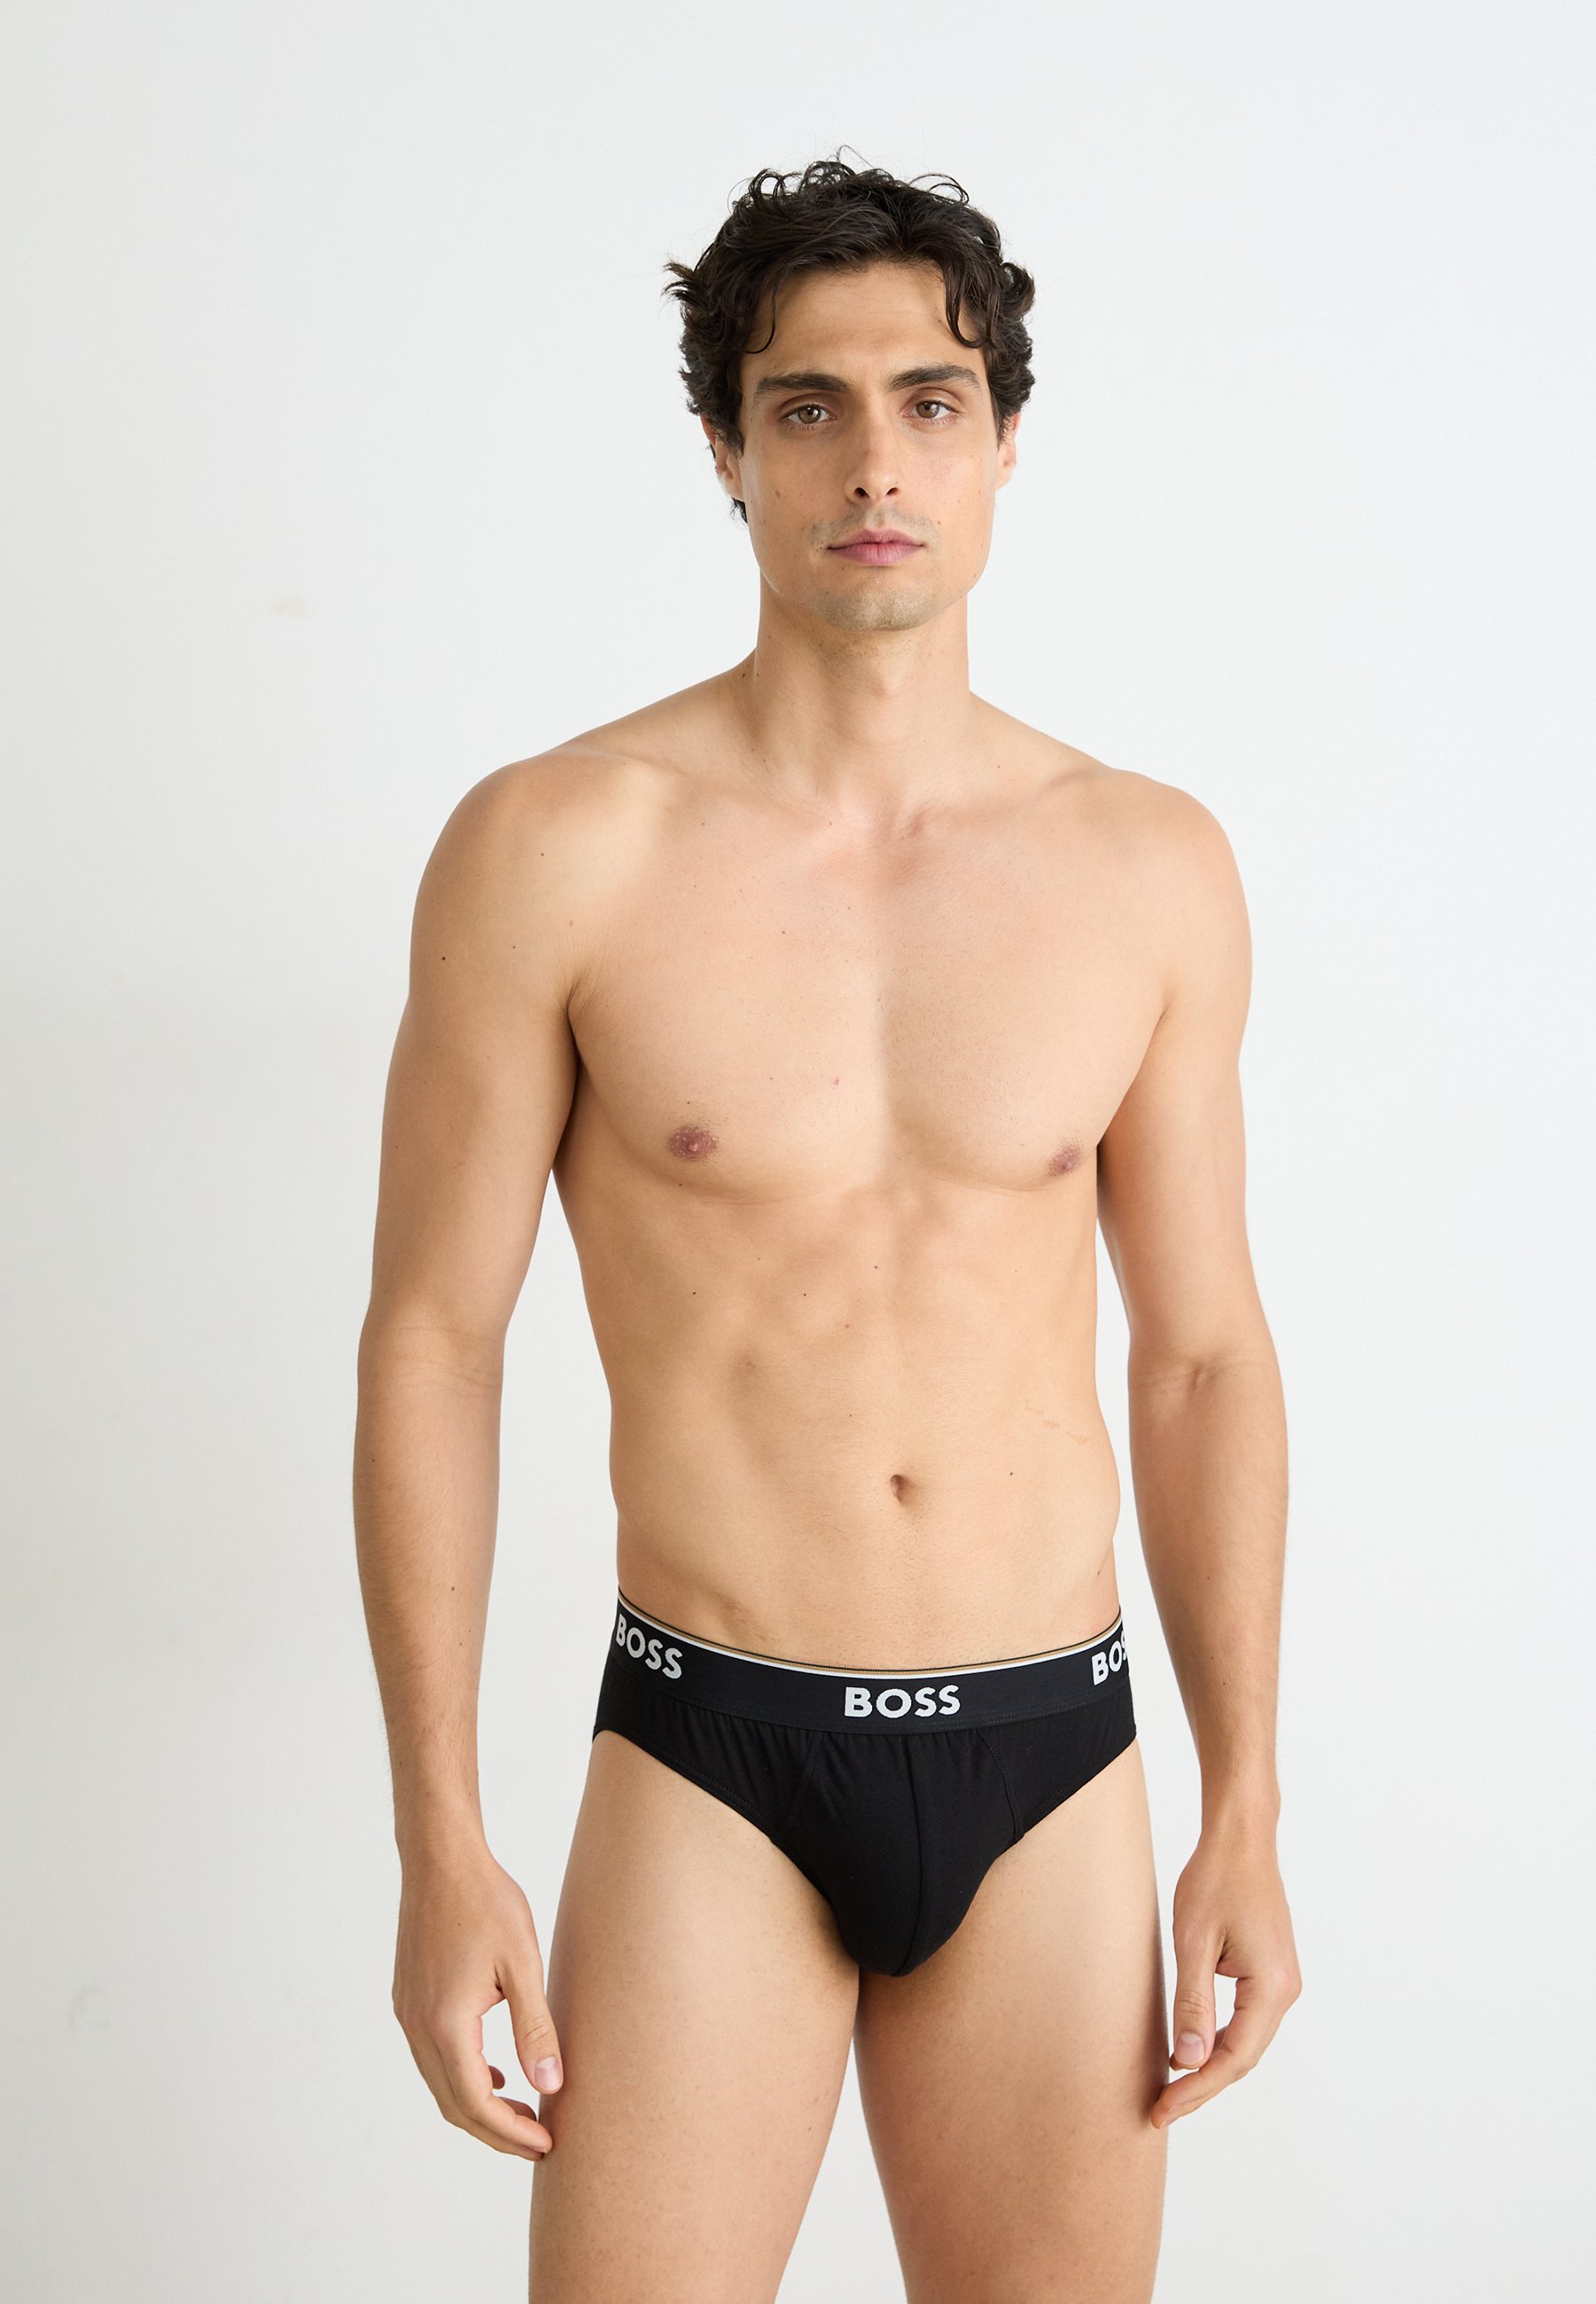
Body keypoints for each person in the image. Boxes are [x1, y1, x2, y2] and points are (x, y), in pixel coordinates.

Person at [353, 155, 1302, 2302]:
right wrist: (438, 1837)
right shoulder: (556, 845)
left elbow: (1199, 1353)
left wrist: (1243, 1798)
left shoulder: (1144, 864)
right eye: (807, 406)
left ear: (1001, 443)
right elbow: (431, 1338)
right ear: (726, 447)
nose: (874, 462)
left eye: (928, 402)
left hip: (1051, 1756)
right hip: (712, 1749)